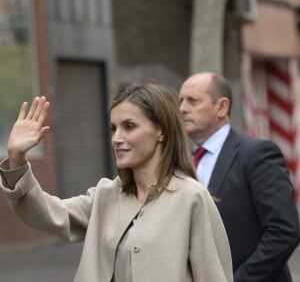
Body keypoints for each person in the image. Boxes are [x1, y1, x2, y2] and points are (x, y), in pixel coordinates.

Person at [0, 82, 233, 282]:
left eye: (129, 126)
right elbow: (46, 213)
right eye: (113, 128)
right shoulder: (106, 195)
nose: (117, 138)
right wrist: (17, 158)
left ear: (161, 131)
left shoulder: (191, 198)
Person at [179, 72, 300, 282]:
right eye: (180, 100)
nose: (182, 108)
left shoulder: (257, 154)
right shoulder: (182, 163)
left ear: (222, 107)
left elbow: (284, 231)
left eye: (193, 101)